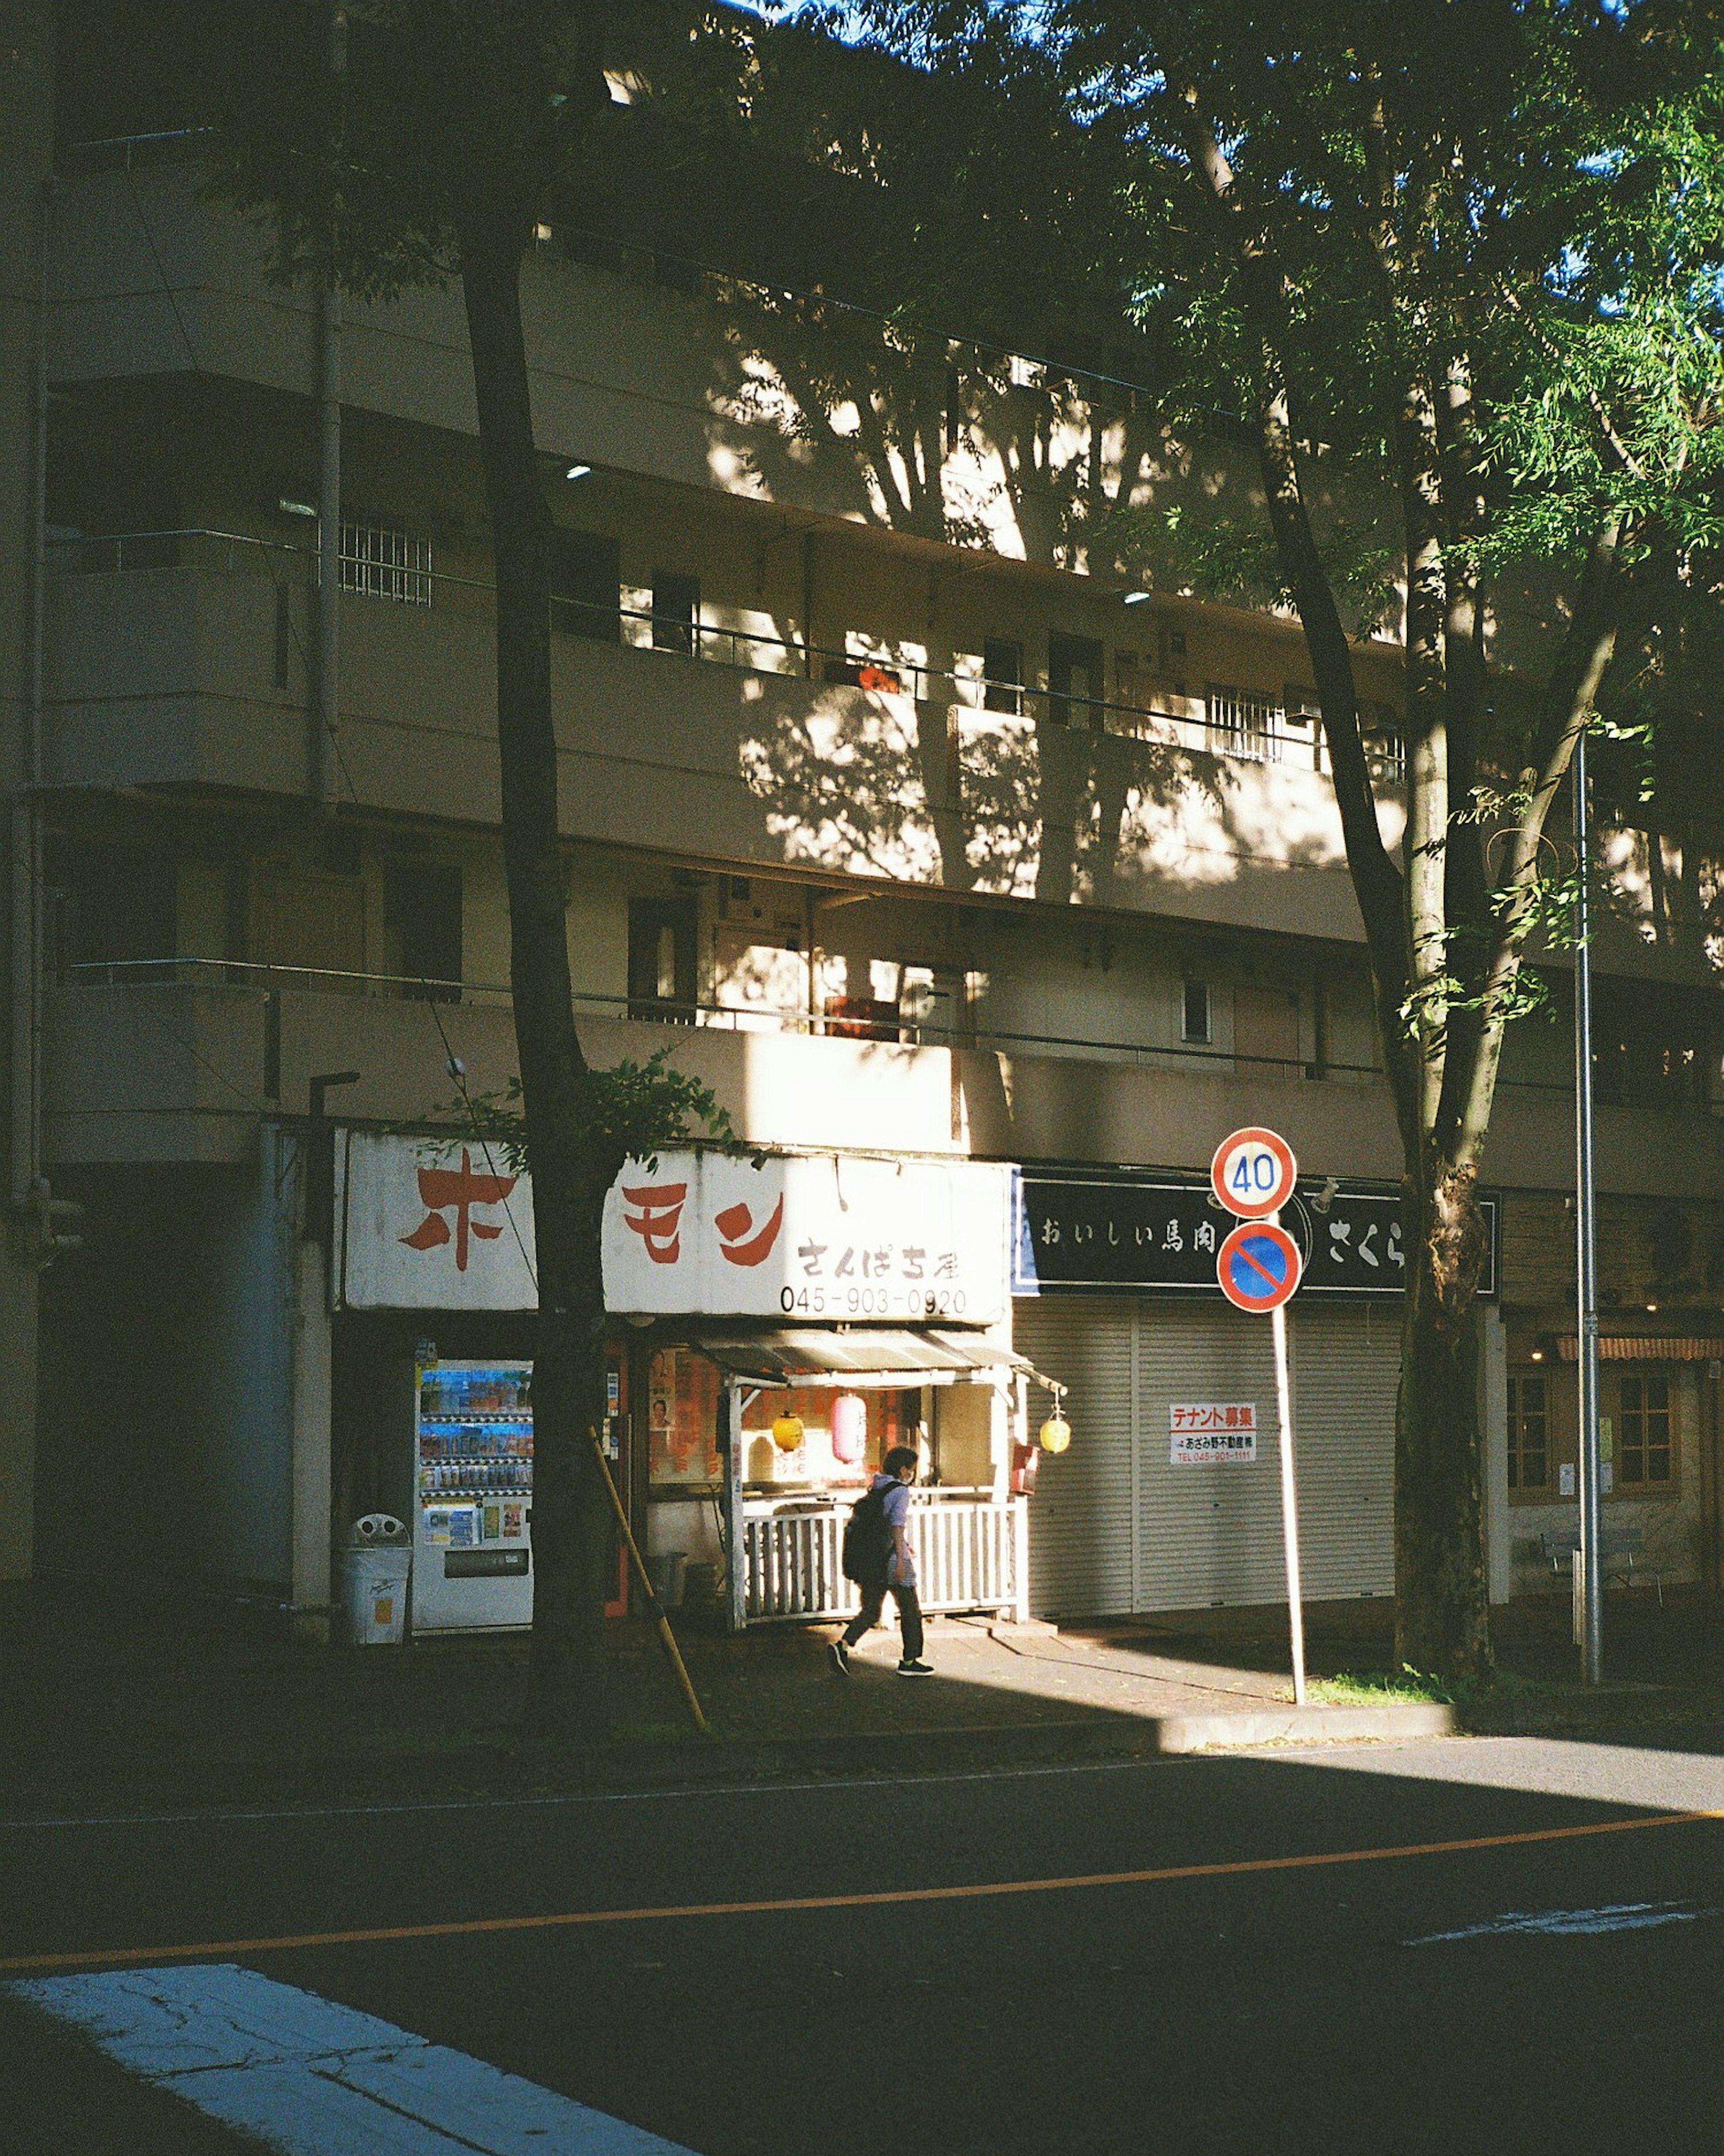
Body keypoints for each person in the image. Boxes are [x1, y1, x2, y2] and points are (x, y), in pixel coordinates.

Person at [831, 1445, 933, 1677]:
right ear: (903, 1469)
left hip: (872, 1559)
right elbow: (896, 1525)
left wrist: (903, 1545)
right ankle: (910, 1662)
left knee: (871, 1611)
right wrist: (900, 1558)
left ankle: (843, 1646)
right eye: (911, 1469)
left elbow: (880, 1524)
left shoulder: (877, 1486)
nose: (912, 1474)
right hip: (891, 1559)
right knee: (910, 1610)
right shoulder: (900, 1491)